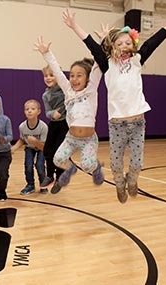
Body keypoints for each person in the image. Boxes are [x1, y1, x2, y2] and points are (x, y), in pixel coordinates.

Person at [62, 2, 166, 203]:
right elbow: (90, 44)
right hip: (117, 124)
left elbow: (155, 40)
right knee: (116, 165)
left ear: (133, 45)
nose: (124, 46)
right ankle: (119, 183)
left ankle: (133, 180)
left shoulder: (137, 61)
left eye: (127, 43)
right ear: (112, 48)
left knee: (137, 163)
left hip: (137, 123)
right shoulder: (106, 64)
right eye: (119, 44)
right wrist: (75, 26)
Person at [34, 35, 105, 194]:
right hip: (71, 138)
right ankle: (71, 167)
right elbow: (57, 71)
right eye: (72, 75)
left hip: (88, 139)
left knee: (87, 165)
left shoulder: (91, 90)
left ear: (87, 78)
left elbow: (97, 66)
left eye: (79, 75)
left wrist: (101, 43)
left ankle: (96, 167)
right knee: (57, 160)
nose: (74, 79)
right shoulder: (68, 91)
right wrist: (47, 53)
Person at [40, 65, 69, 194]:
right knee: (48, 150)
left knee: (59, 152)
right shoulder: (46, 95)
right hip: (54, 123)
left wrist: (61, 113)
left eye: (51, 75)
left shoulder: (65, 90)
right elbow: (47, 112)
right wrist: (53, 114)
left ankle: (60, 178)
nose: (48, 78)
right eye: (46, 76)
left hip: (65, 124)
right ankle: (50, 175)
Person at [11, 99, 48, 195]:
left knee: (39, 165)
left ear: (39, 111)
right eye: (27, 109)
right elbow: (22, 139)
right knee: (28, 165)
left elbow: (44, 147)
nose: (29, 111)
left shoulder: (43, 127)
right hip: (29, 148)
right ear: (24, 112)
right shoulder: (22, 126)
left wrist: (35, 141)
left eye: (32, 109)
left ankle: (44, 184)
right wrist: (14, 148)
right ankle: (30, 185)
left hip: (41, 148)